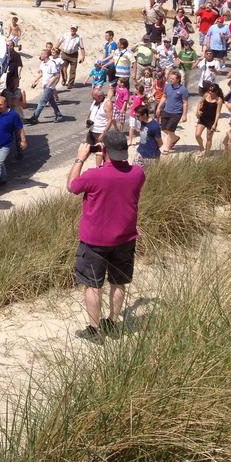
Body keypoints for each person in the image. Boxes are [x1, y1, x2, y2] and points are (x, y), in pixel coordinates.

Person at [68, 130, 144, 342]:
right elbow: (115, 177)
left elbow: (72, 186)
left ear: (105, 150)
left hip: (95, 241)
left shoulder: (94, 176)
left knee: (93, 285)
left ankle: (94, 330)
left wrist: (80, 159)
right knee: (118, 282)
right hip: (125, 238)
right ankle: (111, 322)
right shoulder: (138, 173)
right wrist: (104, 160)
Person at [0, 93, 28, 192]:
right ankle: (3, 179)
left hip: (6, 145)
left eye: (0, 105)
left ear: (5, 104)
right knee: (0, 162)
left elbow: (20, 128)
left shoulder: (13, 115)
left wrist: (23, 140)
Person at [156, 71, 189, 153]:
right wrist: (159, 108)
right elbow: (164, 97)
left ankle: (167, 147)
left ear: (178, 80)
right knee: (163, 128)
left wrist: (184, 115)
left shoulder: (183, 90)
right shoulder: (167, 86)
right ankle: (175, 138)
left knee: (170, 130)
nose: (170, 80)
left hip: (177, 112)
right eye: (170, 78)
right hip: (166, 110)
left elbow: (185, 103)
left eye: (172, 78)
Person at [28, 49, 64, 124]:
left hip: (49, 87)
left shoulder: (51, 63)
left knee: (42, 102)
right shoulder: (42, 63)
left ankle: (34, 118)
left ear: (46, 55)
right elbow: (41, 74)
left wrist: (49, 85)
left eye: (41, 54)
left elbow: (56, 75)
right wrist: (35, 81)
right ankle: (59, 115)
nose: (40, 55)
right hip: (45, 86)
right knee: (52, 102)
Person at [195, 82, 223, 158]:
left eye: (212, 91)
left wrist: (215, 124)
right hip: (203, 118)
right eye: (209, 90)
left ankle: (207, 153)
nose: (210, 92)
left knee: (209, 138)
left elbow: (218, 113)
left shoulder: (219, 100)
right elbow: (200, 102)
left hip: (212, 120)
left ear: (216, 91)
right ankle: (201, 147)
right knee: (197, 135)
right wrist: (197, 111)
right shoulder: (206, 95)